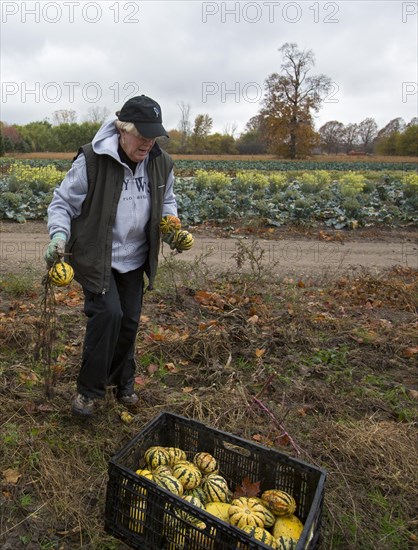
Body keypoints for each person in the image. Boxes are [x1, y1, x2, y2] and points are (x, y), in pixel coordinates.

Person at [45, 95, 179, 416]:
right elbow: (63, 203)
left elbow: (168, 200)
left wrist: (172, 224)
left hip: (134, 259)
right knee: (109, 316)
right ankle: (88, 393)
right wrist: (59, 237)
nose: (148, 142)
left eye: (153, 135)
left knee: (130, 321)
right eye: (142, 134)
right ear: (122, 129)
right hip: (97, 257)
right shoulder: (92, 161)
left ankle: (122, 383)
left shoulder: (161, 163)